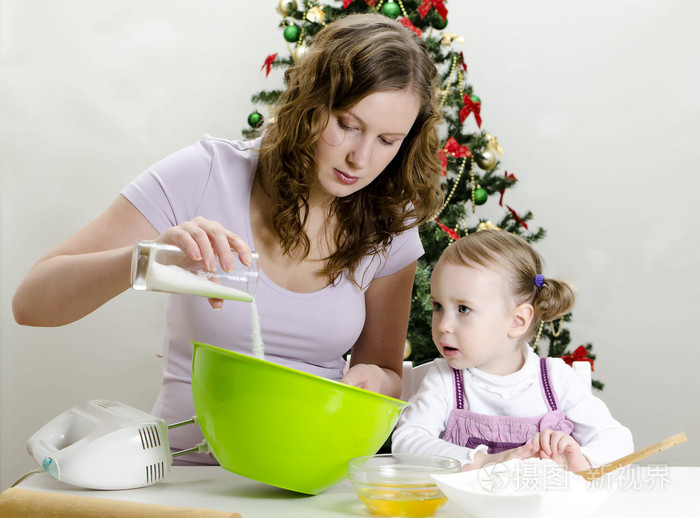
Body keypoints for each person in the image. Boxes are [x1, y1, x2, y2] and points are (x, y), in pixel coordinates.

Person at [12, 14, 443, 463]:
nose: (361, 158)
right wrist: (152, 259)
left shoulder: (390, 221)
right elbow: (32, 302)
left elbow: (384, 372)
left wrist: (374, 382)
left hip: (309, 480)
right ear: (311, 101)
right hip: (187, 477)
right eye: (347, 124)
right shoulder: (206, 174)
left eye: (387, 140)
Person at [391, 230, 633, 471]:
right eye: (438, 306)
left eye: (463, 309)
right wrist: (485, 461)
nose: (443, 325)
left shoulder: (556, 380)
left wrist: (581, 457)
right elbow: (407, 441)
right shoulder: (444, 380)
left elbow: (618, 439)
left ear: (517, 320)